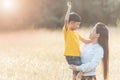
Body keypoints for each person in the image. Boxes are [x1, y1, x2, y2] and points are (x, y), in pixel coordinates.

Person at [63, 1, 92, 80]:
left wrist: (93, 40)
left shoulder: (76, 33)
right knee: (81, 69)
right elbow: (66, 20)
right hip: (71, 55)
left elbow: (85, 40)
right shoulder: (67, 31)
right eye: (77, 24)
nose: (78, 26)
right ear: (71, 23)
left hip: (76, 55)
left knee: (75, 73)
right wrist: (69, 8)